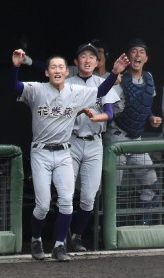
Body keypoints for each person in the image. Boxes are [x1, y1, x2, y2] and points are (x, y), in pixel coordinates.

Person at [11, 48, 128, 261]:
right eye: (53, 67)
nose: (57, 70)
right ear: (47, 72)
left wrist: (114, 73)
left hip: (65, 151)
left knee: (67, 201)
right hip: (41, 152)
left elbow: (100, 92)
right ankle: (36, 239)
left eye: (61, 67)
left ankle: (58, 246)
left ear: (66, 72)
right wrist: (16, 67)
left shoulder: (75, 91)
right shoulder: (37, 89)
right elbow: (15, 86)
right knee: (43, 205)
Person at [66, 43, 121, 251]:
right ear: (76, 61)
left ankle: (78, 236)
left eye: (92, 57)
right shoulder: (67, 83)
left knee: (89, 196)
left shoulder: (103, 83)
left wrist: (97, 117)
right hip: (71, 141)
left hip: (94, 142)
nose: (88, 60)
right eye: (83, 56)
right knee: (66, 193)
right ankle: (62, 236)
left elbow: (110, 112)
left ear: (97, 62)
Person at [104, 39, 162, 226]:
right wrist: (113, 81)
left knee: (153, 186)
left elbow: (143, 106)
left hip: (136, 140)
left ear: (146, 57)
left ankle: (141, 225)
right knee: (112, 190)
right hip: (117, 137)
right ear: (128, 57)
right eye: (134, 51)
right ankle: (105, 229)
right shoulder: (120, 79)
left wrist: (151, 117)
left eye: (141, 52)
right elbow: (106, 106)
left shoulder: (150, 78)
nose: (138, 55)